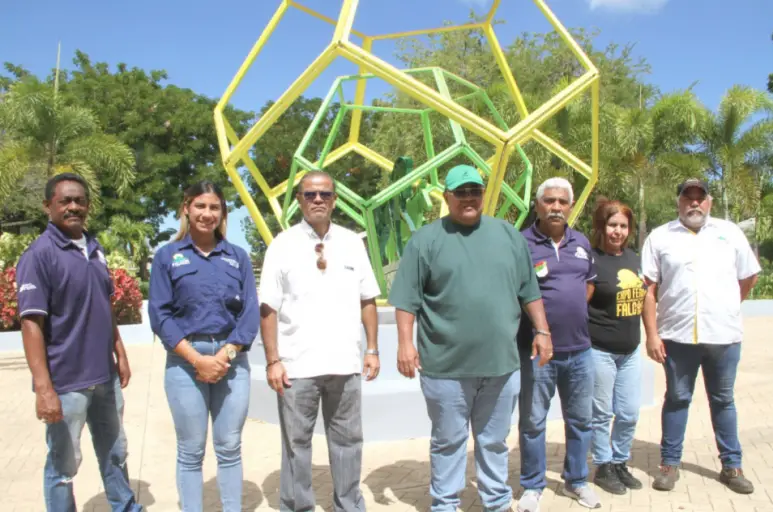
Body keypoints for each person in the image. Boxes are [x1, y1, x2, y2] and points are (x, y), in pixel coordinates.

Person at [388, 164, 552, 512]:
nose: (468, 198)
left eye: (474, 191)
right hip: (445, 369)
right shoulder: (425, 240)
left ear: (483, 194)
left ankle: (496, 502)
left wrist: (542, 329)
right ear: (446, 197)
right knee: (449, 441)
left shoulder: (508, 235)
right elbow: (406, 300)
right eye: (460, 192)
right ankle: (445, 504)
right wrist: (405, 343)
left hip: (501, 365)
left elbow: (529, 290)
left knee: (494, 442)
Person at [15, 173, 143, 512]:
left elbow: (106, 306)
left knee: (115, 451)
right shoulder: (39, 255)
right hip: (66, 382)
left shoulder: (94, 248)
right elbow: (31, 324)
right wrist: (44, 389)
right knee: (63, 467)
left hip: (105, 377)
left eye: (79, 200)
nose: (74, 206)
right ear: (48, 207)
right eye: (65, 201)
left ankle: (125, 506)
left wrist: (120, 352)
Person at [259, 170, 381, 512]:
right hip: (297, 367)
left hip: (345, 363)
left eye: (325, 194)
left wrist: (371, 349)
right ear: (298, 199)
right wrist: (273, 360)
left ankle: (348, 505)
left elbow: (367, 300)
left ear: (335, 200)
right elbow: (268, 307)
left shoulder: (352, 243)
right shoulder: (282, 245)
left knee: (348, 443)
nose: (317, 200)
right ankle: (298, 507)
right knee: (296, 445)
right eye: (310, 194)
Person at [641, 178, 759, 494]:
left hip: (724, 337)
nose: (694, 203)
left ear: (709, 202)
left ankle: (731, 466)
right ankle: (669, 464)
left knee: (723, 400)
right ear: (678, 201)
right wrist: (652, 335)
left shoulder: (730, 233)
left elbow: (749, 276)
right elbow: (648, 289)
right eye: (687, 197)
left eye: (700, 197)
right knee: (677, 399)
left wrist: (727, 306)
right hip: (677, 338)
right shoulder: (660, 237)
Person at [148, 180, 259, 512]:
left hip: (231, 363)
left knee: (229, 447)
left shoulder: (237, 256)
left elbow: (250, 312)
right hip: (185, 364)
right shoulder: (168, 256)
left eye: (214, 207)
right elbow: (160, 313)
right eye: (200, 206)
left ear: (222, 212)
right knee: (191, 450)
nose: (207, 213)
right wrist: (197, 359)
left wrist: (225, 354)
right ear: (186, 208)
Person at [516, 177, 601, 512]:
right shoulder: (521, 242)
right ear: (537, 205)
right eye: (549, 201)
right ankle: (533, 486)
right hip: (537, 354)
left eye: (562, 202)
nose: (555, 207)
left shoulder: (580, 242)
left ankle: (577, 481)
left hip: (580, 351)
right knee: (534, 422)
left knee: (581, 420)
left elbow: (589, 285)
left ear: (570, 206)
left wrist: (571, 309)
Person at [587, 198, 646, 495]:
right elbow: (580, 304)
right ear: (602, 226)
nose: (618, 231)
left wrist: (653, 335)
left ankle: (620, 461)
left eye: (623, 226)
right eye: (612, 225)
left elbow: (647, 297)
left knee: (629, 411)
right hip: (600, 351)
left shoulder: (634, 258)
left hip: (631, 350)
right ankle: (603, 465)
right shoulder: (592, 260)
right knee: (601, 413)